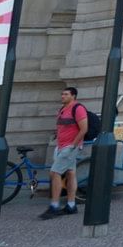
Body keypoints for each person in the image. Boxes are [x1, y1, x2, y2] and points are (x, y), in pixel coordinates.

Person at [39, 87, 88, 219]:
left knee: (55, 173)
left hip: (69, 147)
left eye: (66, 94)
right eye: (62, 94)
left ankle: (54, 206)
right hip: (61, 146)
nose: (62, 96)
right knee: (71, 174)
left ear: (73, 96)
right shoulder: (62, 110)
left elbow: (84, 128)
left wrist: (73, 145)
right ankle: (71, 205)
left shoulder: (78, 108)